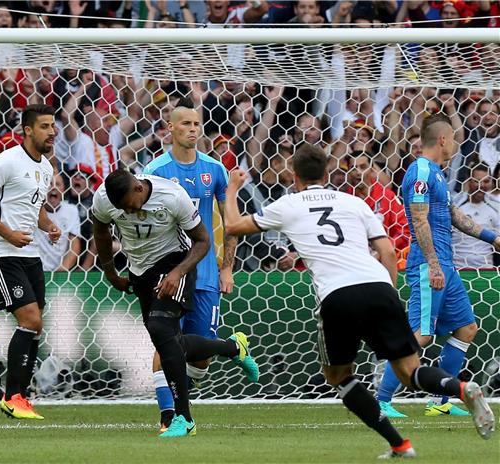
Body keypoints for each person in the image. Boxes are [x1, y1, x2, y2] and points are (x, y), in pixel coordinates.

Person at [224, 143, 494, 457]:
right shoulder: (354, 202)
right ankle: (460, 388)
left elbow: (233, 226)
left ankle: (400, 444)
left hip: (337, 295)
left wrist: (232, 189)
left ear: (293, 176)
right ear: (327, 173)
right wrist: (390, 295)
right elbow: (388, 251)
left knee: (339, 377)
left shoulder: (287, 204)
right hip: (378, 285)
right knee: (410, 371)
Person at [91, 169, 256, 438]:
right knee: (170, 341)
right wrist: (110, 273)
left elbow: (202, 241)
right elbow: (99, 229)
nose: (127, 213)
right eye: (121, 210)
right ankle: (233, 347)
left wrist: (177, 272)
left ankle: (183, 417)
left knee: (160, 328)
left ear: (138, 190)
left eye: (128, 206)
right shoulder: (103, 198)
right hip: (140, 270)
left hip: (175, 261)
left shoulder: (172, 196)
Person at [142, 99, 258, 432]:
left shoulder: (214, 170)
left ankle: (230, 350)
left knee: (200, 356)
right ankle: (171, 416)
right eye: (186, 124)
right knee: (165, 342)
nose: (193, 129)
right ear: (170, 129)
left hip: (205, 271)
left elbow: (230, 222)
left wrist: (227, 267)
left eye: (197, 124)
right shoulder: (155, 172)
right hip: (167, 270)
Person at [377, 114, 500, 419]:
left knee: (467, 328)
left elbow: (454, 215)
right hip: (429, 264)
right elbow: (418, 219)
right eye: (455, 138)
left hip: (447, 264)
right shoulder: (420, 170)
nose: (457, 143)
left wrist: (491, 237)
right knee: (421, 334)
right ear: (443, 139)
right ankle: (381, 399)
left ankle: (439, 400)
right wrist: (433, 265)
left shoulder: (437, 173)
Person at [0, 104, 61, 420]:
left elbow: (36, 208)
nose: (52, 132)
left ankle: (21, 397)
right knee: (31, 321)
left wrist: (48, 226)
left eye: (53, 125)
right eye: (45, 126)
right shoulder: (7, 160)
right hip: (1, 252)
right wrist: (7, 233)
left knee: (36, 325)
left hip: (29, 253)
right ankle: (13, 396)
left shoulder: (46, 167)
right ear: (28, 131)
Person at [451, 164, 499, 268]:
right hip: (458, 267)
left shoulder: (496, 207)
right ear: (468, 181)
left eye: (486, 181)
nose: (481, 185)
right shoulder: (455, 203)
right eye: (476, 181)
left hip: (486, 269)